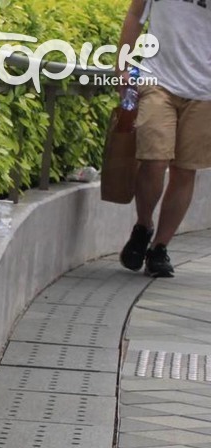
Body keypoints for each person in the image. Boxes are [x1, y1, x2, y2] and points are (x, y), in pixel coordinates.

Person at [116, 0, 211, 278]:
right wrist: (122, 65)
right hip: (157, 80)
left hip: (205, 92)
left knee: (185, 170)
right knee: (154, 159)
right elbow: (135, 15)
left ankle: (159, 248)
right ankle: (144, 225)